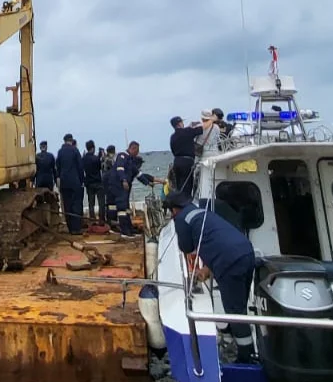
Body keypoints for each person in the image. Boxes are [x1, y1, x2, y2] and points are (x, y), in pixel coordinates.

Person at [165, 191, 257, 364]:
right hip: (246, 252)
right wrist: (207, 269)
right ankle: (232, 332)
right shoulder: (202, 212)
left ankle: (246, 355)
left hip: (229, 262)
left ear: (174, 210)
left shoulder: (182, 219)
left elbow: (186, 247)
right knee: (240, 303)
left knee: (235, 311)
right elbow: (213, 240)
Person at [105, 141, 159, 238]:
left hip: (124, 187)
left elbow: (139, 174)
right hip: (118, 185)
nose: (137, 153)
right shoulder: (122, 156)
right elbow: (120, 169)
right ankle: (125, 231)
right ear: (132, 148)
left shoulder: (130, 161)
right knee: (122, 208)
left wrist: (148, 183)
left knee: (125, 208)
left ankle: (129, 228)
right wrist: (124, 180)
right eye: (137, 151)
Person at [169, 116, 207, 197]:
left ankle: (179, 203)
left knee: (179, 185)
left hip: (177, 161)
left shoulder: (173, 137)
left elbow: (173, 149)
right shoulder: (187, 132)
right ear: (179, 124)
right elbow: (201, 129)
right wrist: (211, 120)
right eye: (182, 122)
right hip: (187, 162)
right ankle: (186, 202)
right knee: (187, 184)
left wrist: (190, 127)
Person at [56, 133, 86, 234]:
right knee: (76, 205)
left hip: (64, 182)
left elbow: (58, 168)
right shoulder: (75, 150)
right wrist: (81, 180)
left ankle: (70, 228)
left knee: (67, 205)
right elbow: (80, 167)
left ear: (64, 141)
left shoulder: (60, 152)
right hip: (75, 182)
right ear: (71, 140)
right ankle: (76, 228)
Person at [82, 140, 104, 221]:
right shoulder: (96, 158)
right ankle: (102, 219)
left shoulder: (83, 159)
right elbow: (100, 167)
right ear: (93, 148)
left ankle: (92, 219)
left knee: (91, 203)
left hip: (89, 183)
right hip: (98, 182)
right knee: (101, 203)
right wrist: (100, 156)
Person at [100, 145, 117, 223]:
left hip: (104, 181)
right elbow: (114, 171)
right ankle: (112, 219)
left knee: (108, 201)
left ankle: (108, 218)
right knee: (112, 202)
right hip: (110, 182)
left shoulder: (103, 159)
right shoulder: (110, 160)